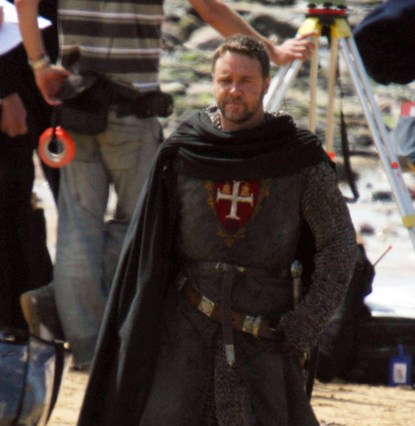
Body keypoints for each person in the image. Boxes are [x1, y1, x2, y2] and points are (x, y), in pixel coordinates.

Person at [56, 35, 357, 426]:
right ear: (213, 82)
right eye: (225, 80)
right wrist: (138, 327)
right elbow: (151, 246)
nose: (233, 91)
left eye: (245, 81)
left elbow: (339, 247)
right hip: (184, 321)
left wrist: (305, 325)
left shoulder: (297, 157)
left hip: (266, 328)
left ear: (264, 83)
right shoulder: (184, 150)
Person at [15, 0, 315, 369]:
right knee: (145, 225)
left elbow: (24, 3)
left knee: (79, 230)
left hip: (77, 105)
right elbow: (210, 10)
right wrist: (273, 52)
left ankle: (85, 346)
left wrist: (39, 65)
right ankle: (58, 307)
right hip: (133, 107)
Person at [0, 0, 58, 334]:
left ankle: (42, 311)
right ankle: (16, 317)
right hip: (18, 66)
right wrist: (6, 90)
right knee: (12, 193)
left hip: (55, 66)